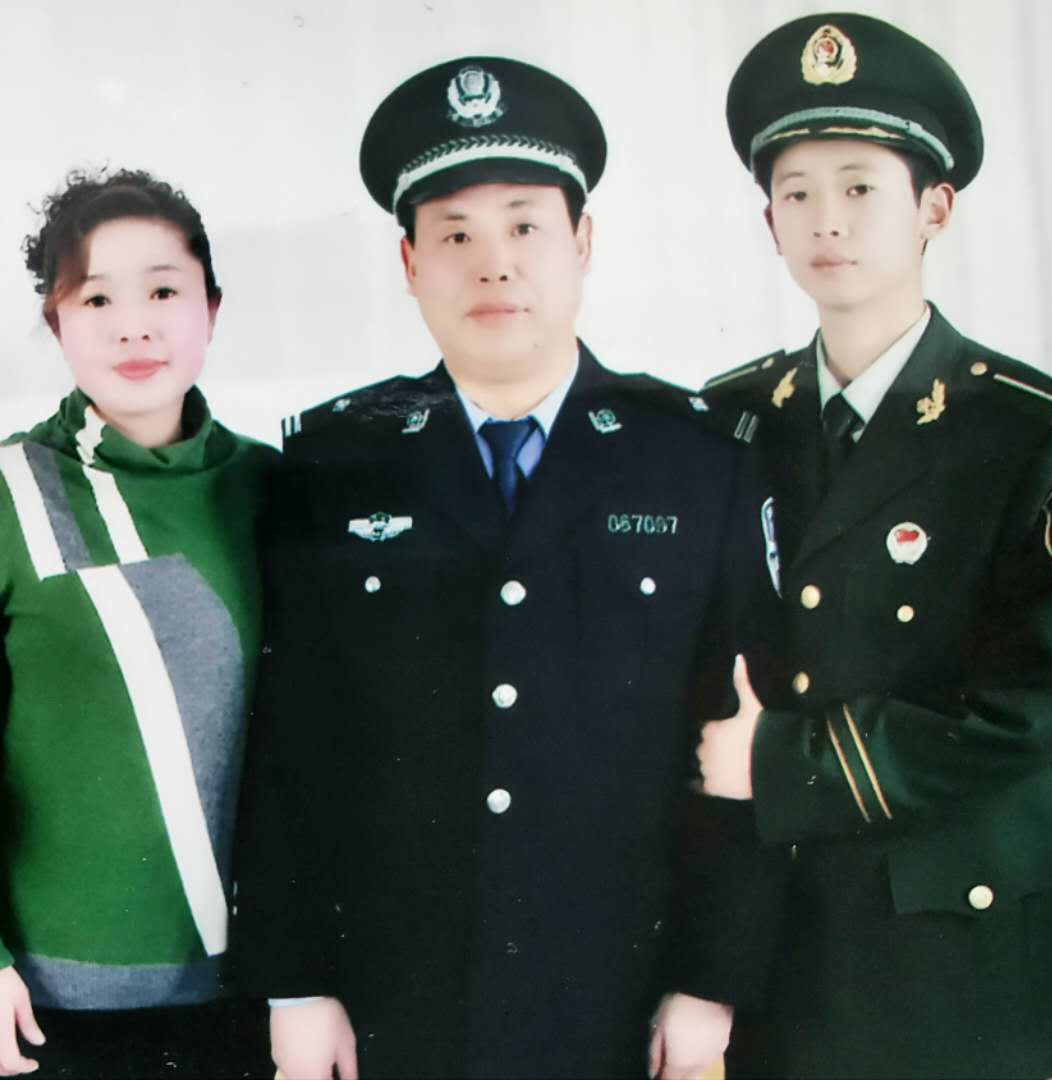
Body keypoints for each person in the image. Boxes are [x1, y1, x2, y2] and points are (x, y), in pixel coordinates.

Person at [234, 55, 786, 1080]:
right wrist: (297, 983)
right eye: (454, 235)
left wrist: (709, 981)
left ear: (583, 243)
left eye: (525, 227)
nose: (493, 266)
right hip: (396, 989)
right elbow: (292, 740)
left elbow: (741, 740)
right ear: (409, 262)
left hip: (619, 990)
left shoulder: (698, 458)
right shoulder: (333, 462)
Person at [698, 12, 1052, 1079]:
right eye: (795, 193)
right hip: (782, 948)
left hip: (957, 955)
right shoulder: (727, 421)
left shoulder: (1038, 430)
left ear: (934, 207)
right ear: (768, 222)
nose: (826, 219)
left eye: (861, 186)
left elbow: (1027, 706)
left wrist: (776, 761)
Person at [0, 168, 276, 1078]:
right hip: (57, 1008)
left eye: (163, 291)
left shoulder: (277, 488)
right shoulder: (10, 492)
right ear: (55, 322)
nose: (134, 326)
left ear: (211, 308)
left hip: (265, 994)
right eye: (96, 298)